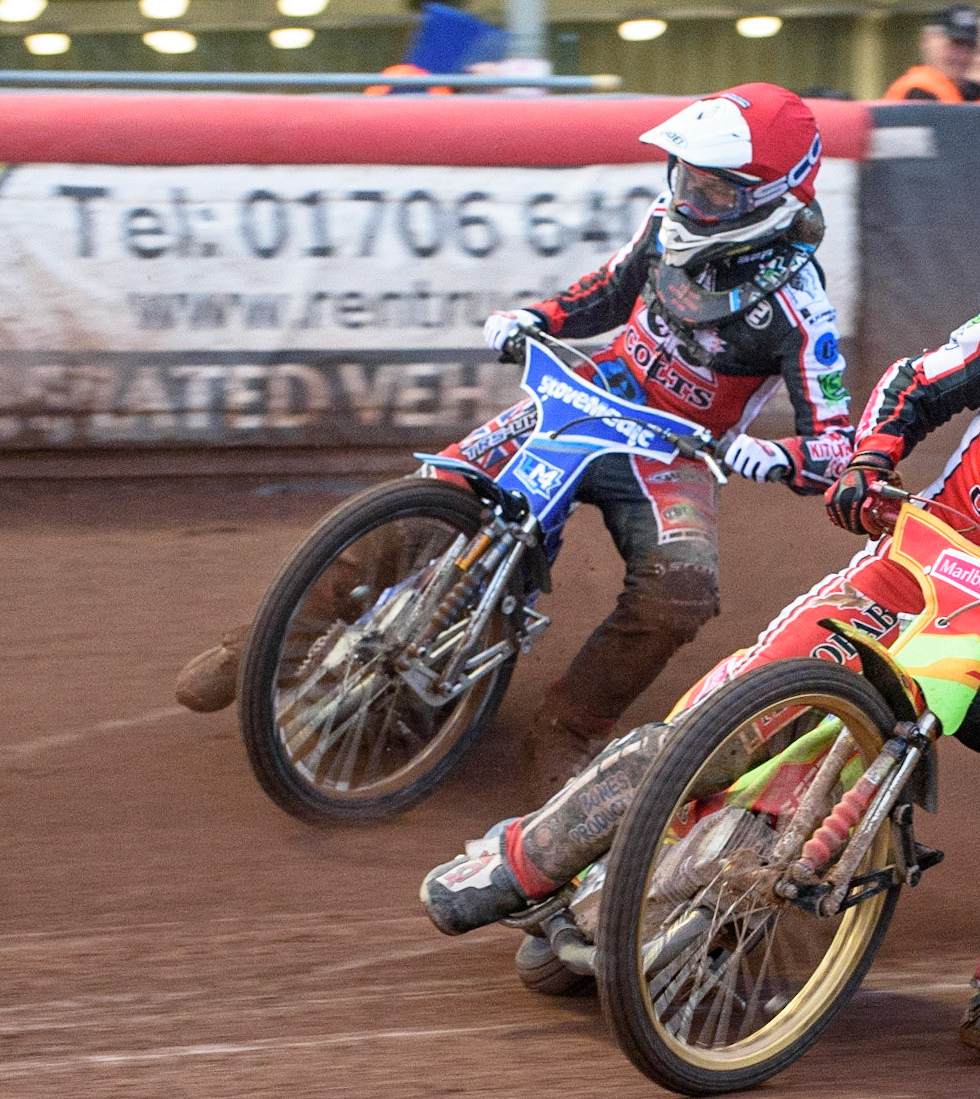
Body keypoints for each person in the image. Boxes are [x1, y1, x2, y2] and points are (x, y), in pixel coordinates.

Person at [420, 232, 980, 1070]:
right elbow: (914, 384)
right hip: (902, 578)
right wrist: (870, 461)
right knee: (726, 717)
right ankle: (519, 858)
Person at [175, 83, 855, 791]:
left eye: (714, 194)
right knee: (433, 495)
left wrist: (778, 456)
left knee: (680, 590)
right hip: (590, 391)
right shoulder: (666, 222)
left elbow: (835, 445)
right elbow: (610, 290)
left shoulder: (800, 310)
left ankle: (567, 728)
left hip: (674, 448)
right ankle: (261, 642)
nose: (691, 201)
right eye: (686, 179)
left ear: (773, 200)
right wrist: (537, 317)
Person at [883, 5, 980, 102]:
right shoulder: (917, 92)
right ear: (927, 39)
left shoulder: (979, 93)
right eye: (955, 43)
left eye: (970, 47)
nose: (962, 56)